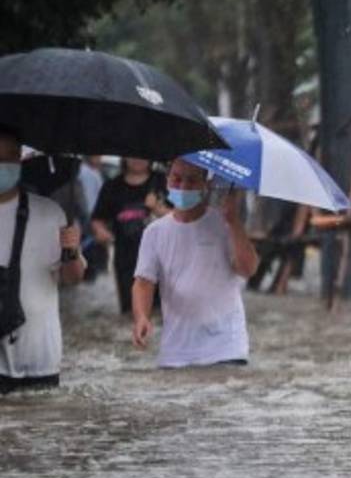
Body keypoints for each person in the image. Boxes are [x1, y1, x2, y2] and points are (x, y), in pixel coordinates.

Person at [131, 158, 258, 368]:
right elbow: (143, 282)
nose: (183, 186)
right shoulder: (154, 232)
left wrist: (235, 223)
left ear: (205, 184)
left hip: (226, 348)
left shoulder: (224, 223)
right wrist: (141, 317)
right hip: (175, 351)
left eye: (191, 180)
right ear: (167, 180)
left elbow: (248, 269)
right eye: (177, 179)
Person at [0, 125, 85, 394]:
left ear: (20, 160)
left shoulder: (50, 213)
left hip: (40, 358)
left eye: (9, 158)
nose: (3, 166)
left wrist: (72, 251)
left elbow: (72, 277)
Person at [91, 157, 167, 313]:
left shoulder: (162, 181)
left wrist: (159, 210)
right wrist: (101, 232)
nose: (137, 159)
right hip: (125, 260)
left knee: (161, 312)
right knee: (132, 312)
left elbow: (183, 216)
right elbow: (98, 219)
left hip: (161, 259)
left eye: (142, 155)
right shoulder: (112, 186)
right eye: (132, 155)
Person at [76, 155, 107, 282]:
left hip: (90, 225)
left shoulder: (91, 173)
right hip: (89, 225)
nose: (100, 158)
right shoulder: (88, 173)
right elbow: (90, 205)